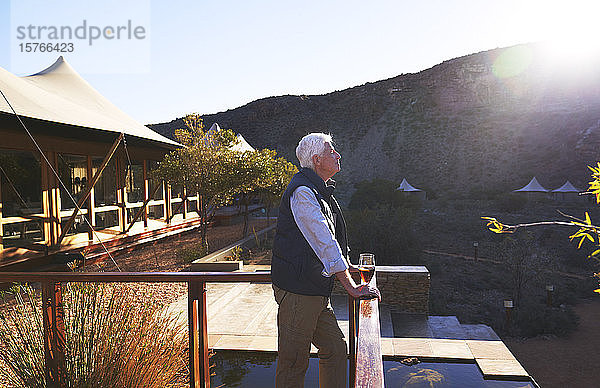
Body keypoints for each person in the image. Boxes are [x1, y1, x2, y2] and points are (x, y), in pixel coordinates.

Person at [271, 133, 381, 388]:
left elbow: (329, 239)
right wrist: (351, 287)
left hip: (315, 291)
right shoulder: (302, 192)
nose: (338, 155)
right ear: (317, 159)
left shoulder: (317, 191)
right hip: (299, 292)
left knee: (335, 349)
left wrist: (348, 265)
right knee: (293, 363)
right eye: (332, 152)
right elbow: (323, 241)